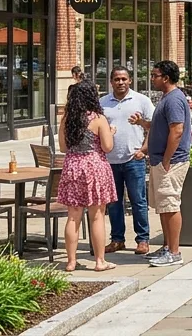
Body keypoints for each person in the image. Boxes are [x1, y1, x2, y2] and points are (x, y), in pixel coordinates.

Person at [58, 81, 118, 273]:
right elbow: (107, 147)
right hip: (94, 166)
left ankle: (71, 262)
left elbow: (63, 148)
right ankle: (100, 261)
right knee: (97, 216)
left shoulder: (67, 119)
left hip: (73, 166)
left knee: (73, 216)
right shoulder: (98, 119)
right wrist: (111, 133)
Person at [140, 60, 191, 267]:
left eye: (155, 75)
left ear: (166, 78)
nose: (152, 79)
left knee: (170, 205)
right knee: (162, 206)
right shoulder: (166, 99)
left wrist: (167, 159)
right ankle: (167, 246)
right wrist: (143, 124)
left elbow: (177, 130)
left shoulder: (174, 100)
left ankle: (175, 251)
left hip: (171, 161)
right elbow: (162, 125)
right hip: (161, 160)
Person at [101, 66, 155, 256]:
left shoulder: (141, 101)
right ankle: (117, 239)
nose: (121, 82)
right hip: (110, 161)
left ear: (130, 80)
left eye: (124, 79)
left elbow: (154, 126)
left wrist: (144, 150)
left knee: (138, 200)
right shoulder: (103, 103)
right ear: (111, 82)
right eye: (117, 79)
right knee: (114, 202)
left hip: (134, 160)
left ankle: (142, 240)